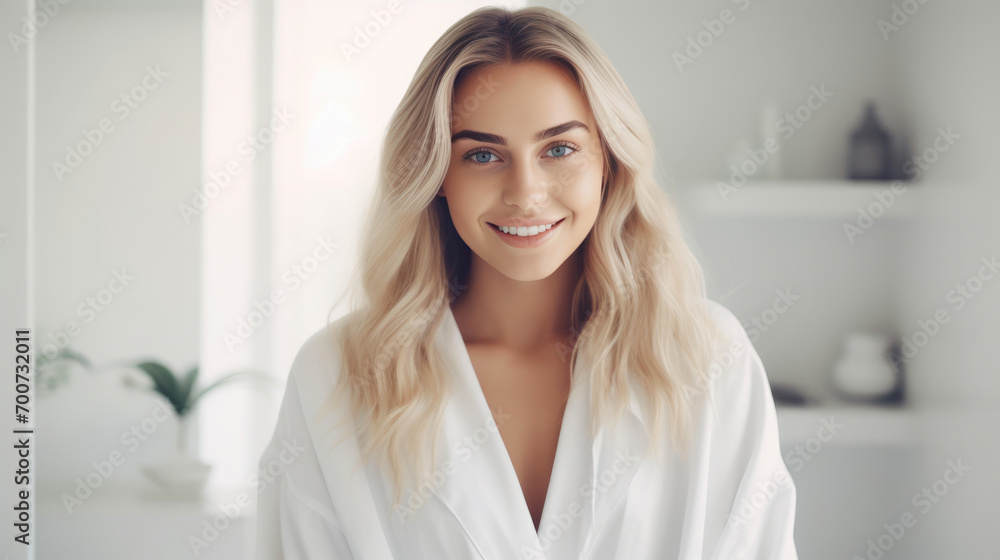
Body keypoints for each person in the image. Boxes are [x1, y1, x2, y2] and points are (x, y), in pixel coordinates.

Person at [254, 6, 798, 559]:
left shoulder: (707, 357)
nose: (525, 192)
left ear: (608, 161)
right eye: (483, 154)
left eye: (559, 149)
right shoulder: (334, 375)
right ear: (437, 173)